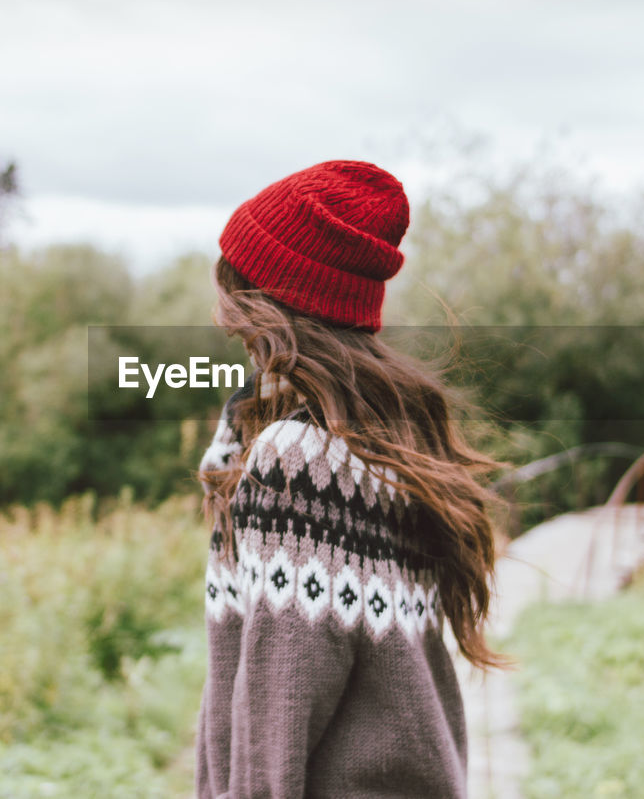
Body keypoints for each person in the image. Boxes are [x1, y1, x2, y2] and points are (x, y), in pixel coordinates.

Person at [194, 160, 509, 799]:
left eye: (236, 280)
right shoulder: (384, 439)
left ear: (269, 298)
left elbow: (279, 710)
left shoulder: (300, 460)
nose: (223, 309)